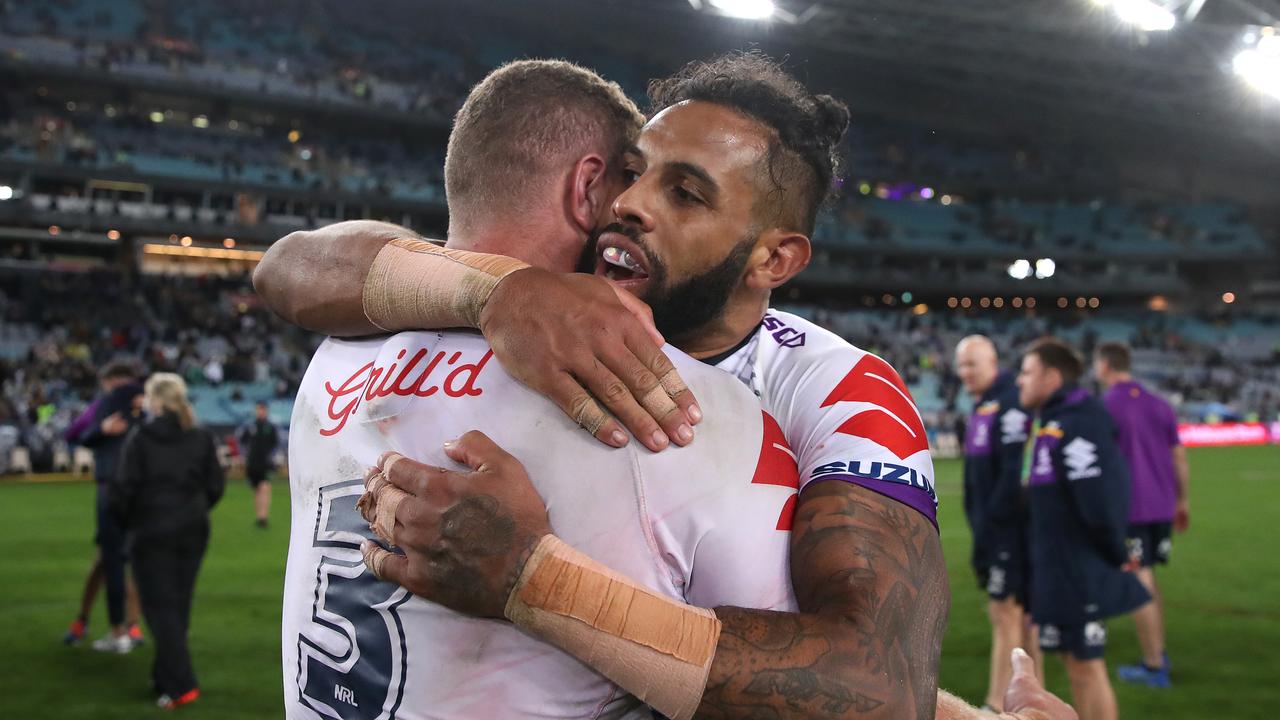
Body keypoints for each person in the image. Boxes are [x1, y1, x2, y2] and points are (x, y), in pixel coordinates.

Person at [258, 54, 1072, 720]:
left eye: (684, 193)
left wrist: (533, 582)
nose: (629, 204)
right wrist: (495, 289)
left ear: (773, 259)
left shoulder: (835, 391)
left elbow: (877, 686)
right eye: (634, 173)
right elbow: (290, 266)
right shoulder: (518, 312)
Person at [1017, 338, 1151, 720]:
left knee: (1087, 668)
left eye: (1027, 373)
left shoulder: (1079, 423)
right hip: (1057, 571)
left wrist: (1115, 553)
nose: (1020, 382)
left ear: (1052, 376)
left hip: (1079, 572)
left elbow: (1101, 501)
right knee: (1075, 666)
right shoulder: (1054, 422)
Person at [112, 373, 225, 710]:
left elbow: (124, 490)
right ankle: (164, 676)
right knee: (178, 605)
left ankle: (181, 686)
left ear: (155, 401)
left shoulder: (141, 438)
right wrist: (192, 508)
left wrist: (128, 522)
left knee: (160, 609)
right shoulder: (201, 436)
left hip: (152, 531)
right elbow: (215, 486)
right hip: (192, 529)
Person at [1094, 341, 1189, 688]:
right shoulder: (1159, 404)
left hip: (1130, 506)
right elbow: (1179, 456)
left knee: (1139, 577)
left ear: (1105, 365)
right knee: (1148, 573)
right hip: (1162, 506)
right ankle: (1157, 652)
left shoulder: (1106, 406)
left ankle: (1153, 666)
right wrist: (1183, 501)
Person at [955, 335, 1040, 710]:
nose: (965, 373)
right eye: (961, 365)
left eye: (972, 364)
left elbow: (1011, 475)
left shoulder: (1008, 405)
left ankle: (995, 707)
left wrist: (993, 529)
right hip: (992, 529)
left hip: (1006, 531)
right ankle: (1033, 701)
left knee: (1004, 613)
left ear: (993, 362)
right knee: (1018, 617)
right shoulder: (985, 405)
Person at [73, 361, 146, 652]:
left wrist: (101, 429)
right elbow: (84, 435)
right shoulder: (140, 407)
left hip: (116, 490)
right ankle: (127, 625)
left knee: (114, 560)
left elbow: (83, 436)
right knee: (120, 559)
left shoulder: (116, 405)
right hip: (134, 491)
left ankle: (121, 628)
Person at [236, 401, 279, 528]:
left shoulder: (270, 427)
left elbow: (276, 444)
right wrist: (244, 455)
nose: (260, 412)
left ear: (266, 411)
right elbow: (241, 441)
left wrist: (272, 456)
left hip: (265, 463)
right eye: (258, 409)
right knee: (256, 489)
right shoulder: (250, 427)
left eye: (262, 409)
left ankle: (263, 516)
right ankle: (259, 515)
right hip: (252, 463)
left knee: (264, 487)